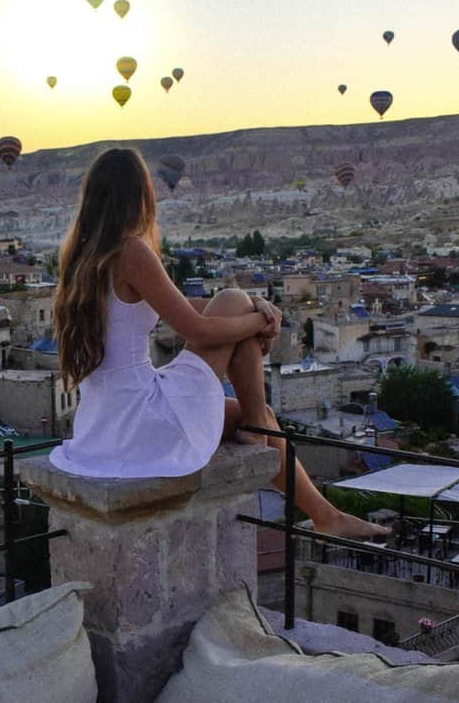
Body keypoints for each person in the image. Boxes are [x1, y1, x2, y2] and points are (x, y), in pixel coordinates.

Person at [50, 148, 389, 539]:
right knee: (232, 301)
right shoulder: (131, 252)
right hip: (142, 419)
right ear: (139, 196)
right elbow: (199, 330)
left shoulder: (81, 257)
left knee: (254, 401)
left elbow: (177, 304)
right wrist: (259, 319)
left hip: (105, 421)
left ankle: (324, 513)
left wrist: (256, 309)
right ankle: (267, 437)